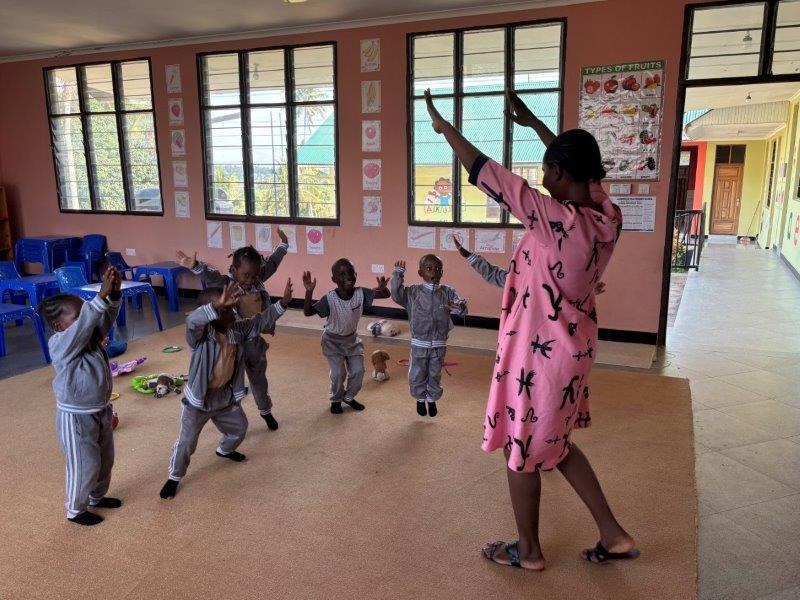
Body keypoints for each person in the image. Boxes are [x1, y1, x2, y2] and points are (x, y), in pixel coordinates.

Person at [424, 88, 636, 569]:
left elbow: (489, 174)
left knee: (519, 450)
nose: (541, 182)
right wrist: (537, 125)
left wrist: (443, 129)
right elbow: (581, 171)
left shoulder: (555, 220)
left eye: (547, 172)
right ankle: (613, 533)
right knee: (557, 446)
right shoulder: (607, 215)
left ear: (560, 175)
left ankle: (530, 551)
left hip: (540, 358)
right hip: (572, 351)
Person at [159, 279, 292, 499]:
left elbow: (260, 321)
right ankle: (174, 477)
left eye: (233, 307)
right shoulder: (200, 337)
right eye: (226, 309)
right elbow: (192, 322)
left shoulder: (236, 330)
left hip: (223, 398)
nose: (234, 313)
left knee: (240, 428)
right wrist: (215, 306)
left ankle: (224, 450)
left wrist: (283, 303)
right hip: (198, 402)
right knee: (186, 442)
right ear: (212, 314)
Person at [176, 230, 288, 431]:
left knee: (259, 379)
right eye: (245, 275)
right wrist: (195, 266)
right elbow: (211, 277)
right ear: (234, 270)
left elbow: (272, 263)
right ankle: (231, 416)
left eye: (254, 275)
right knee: (230, 381)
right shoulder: (226, 283)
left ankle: (265, 410)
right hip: (230, 342)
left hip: (252, 340)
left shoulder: (257, 278)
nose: (250, 280)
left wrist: (284, 245)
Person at [39, 267, 123, 526]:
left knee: (105, 460)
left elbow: (100, 320)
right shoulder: (60, 345)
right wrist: (98, 299)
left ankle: (97, 497)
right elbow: (88, 322)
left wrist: (113, 297)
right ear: (58, 326)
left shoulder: (87, 336)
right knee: (84, 464)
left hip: (99, 409)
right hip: (75, 417)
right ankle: (75, 508)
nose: (87, 318)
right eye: (79, 316)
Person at [302, 259, 390, 414]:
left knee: (358, 371)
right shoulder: (329, 299)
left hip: (352, 340)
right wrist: (309, 291)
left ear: (356, 275)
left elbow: (385, 295)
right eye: (342, 274)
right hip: (332, 341)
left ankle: (348, 397)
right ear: (334, 280)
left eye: (350, 273)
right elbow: (308, 312)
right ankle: (335, 399)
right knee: (338, 374)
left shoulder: (360, 293)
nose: (347, 277)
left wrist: (383, 289)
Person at [390, 254, 467, 417]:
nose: (434, 271)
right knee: (417, 374)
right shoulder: (413, 293)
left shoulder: (447, 291)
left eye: (438, 269)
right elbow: (397, 295)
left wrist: (458, 306)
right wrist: (398, 275)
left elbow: (462, 306)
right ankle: (419, 399)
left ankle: (432, 399)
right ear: (420, 273)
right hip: (419, 345)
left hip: (439, 345)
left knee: (434, 373)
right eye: (429, 268)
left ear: (442, 272)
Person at [453, 237, 607, 295]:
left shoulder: (553, 280)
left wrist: (587, 290)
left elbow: (568, 291)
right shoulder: (520, 279)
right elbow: (492, 274)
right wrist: (469, 256)